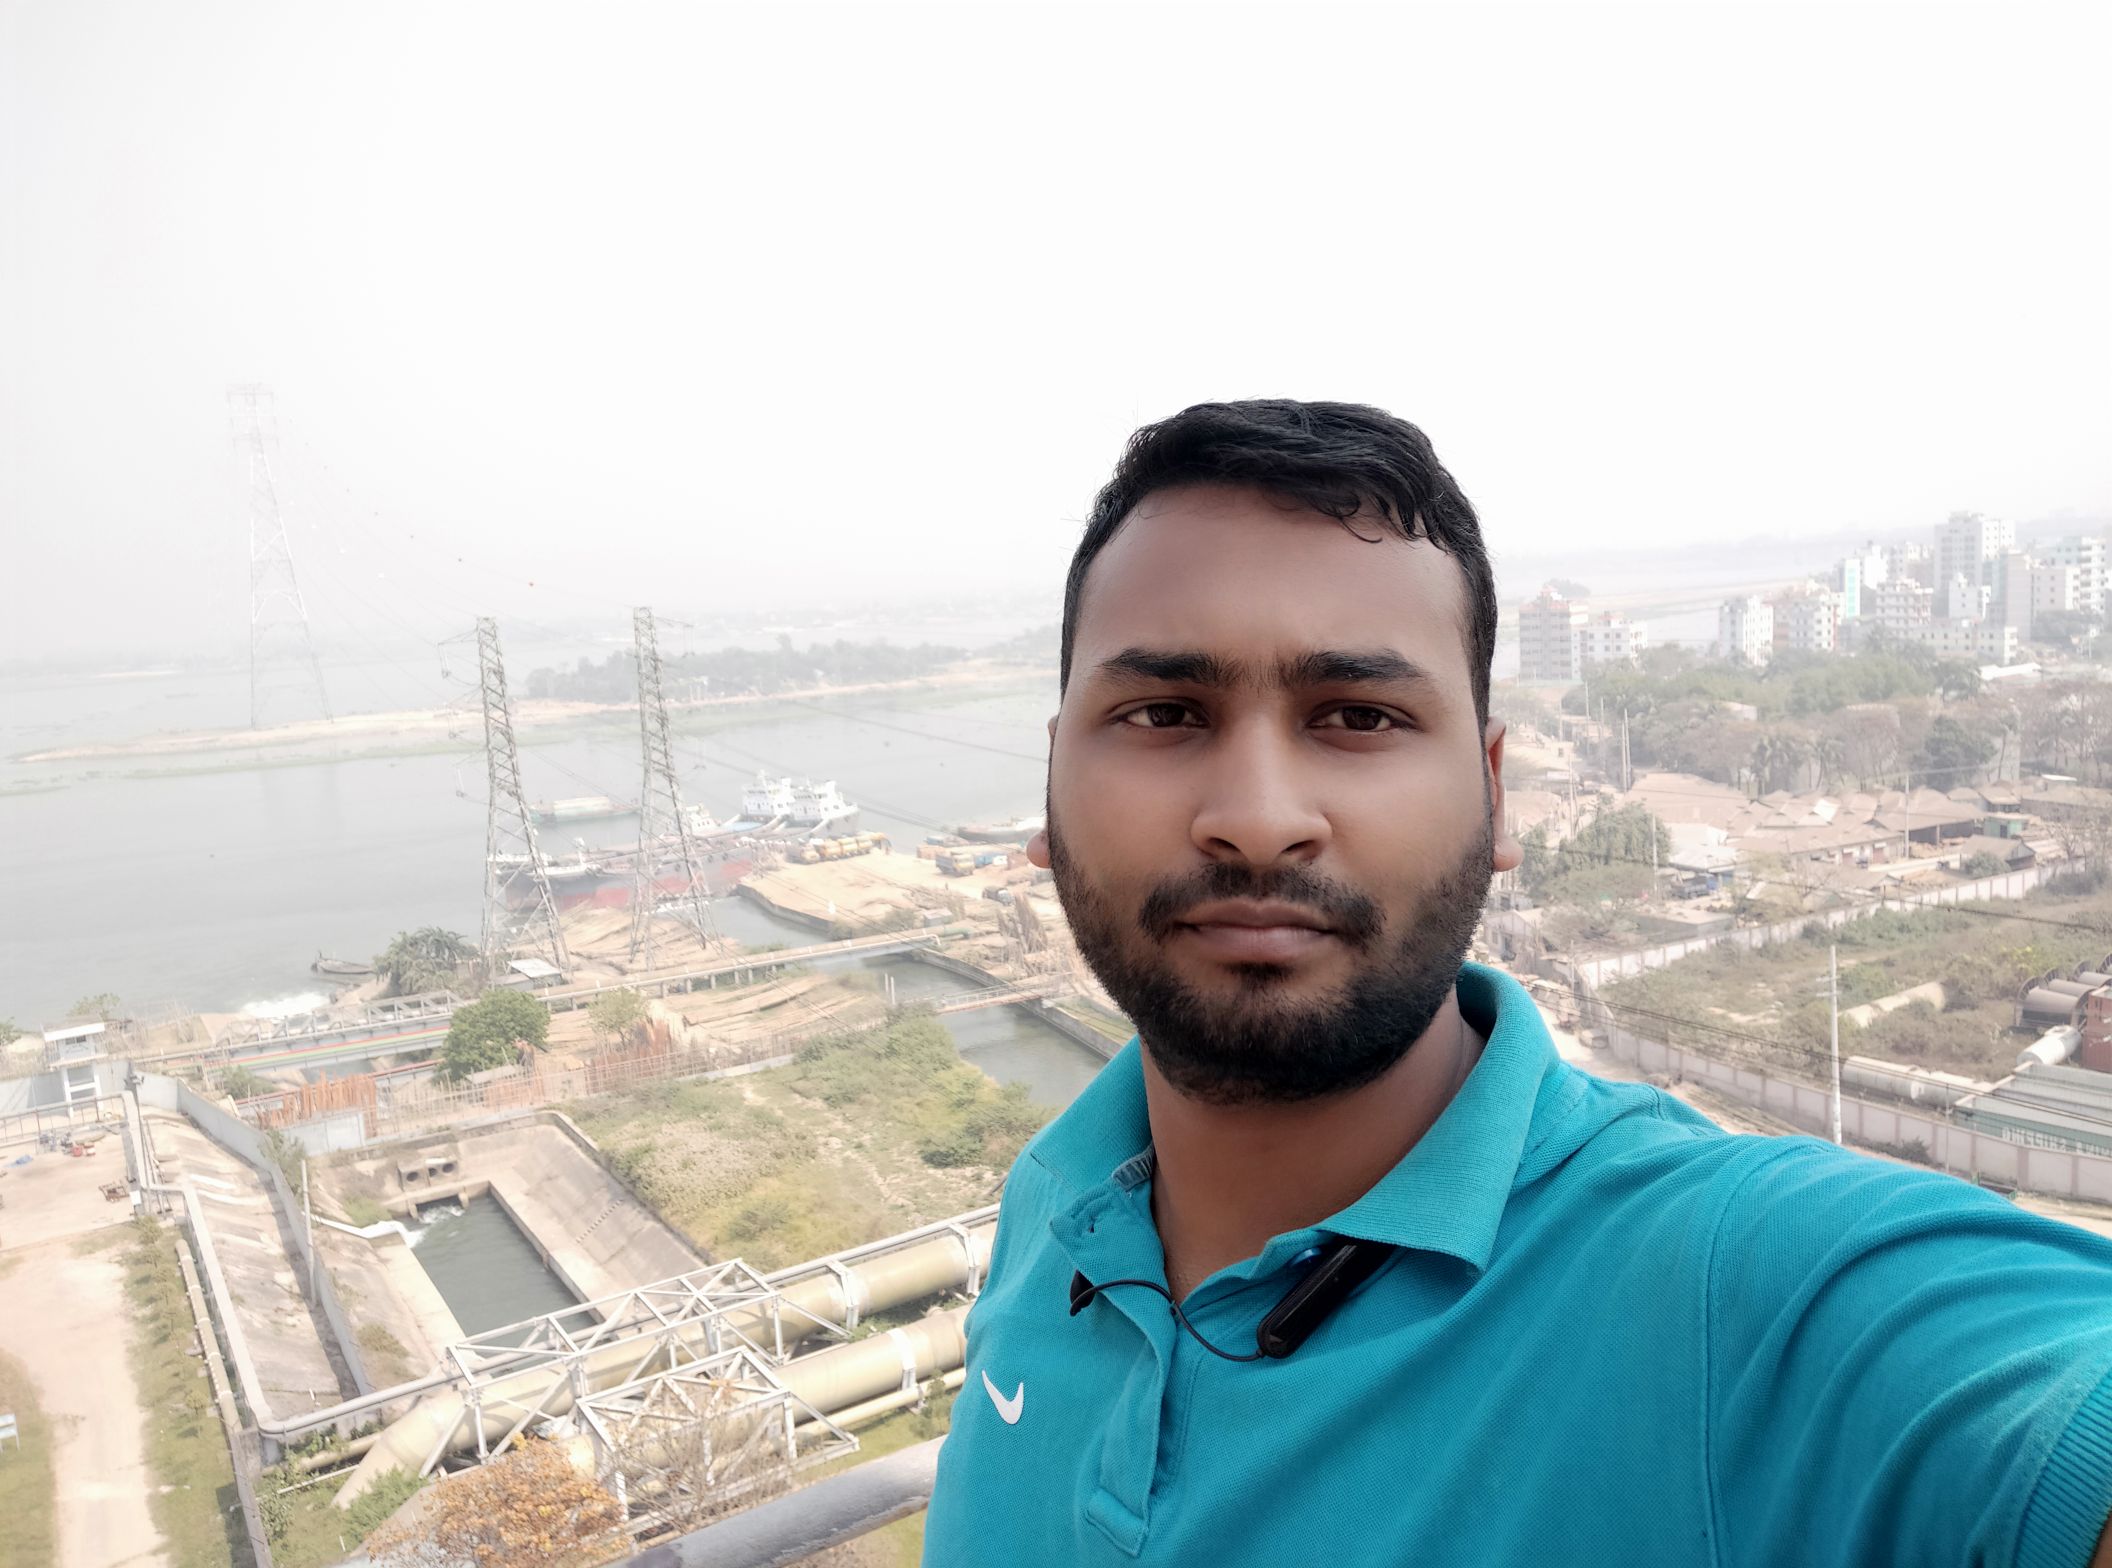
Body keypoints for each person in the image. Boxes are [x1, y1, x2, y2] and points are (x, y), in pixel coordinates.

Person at [920, 400, 2112, 1566]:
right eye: (1164, 711)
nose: (1259, 817)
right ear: (1050, 787)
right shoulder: (1055, 1205)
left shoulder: (1736, 1287)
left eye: (1358, 714)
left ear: (1494, 794)